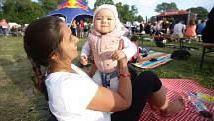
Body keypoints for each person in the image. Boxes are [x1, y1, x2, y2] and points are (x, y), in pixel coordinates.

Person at [24, 16, 184, 121]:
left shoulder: (57, 70)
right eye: (69, 37)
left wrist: (97, 59)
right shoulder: (67, 86)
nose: (76, 38)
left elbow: (87, 79)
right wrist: (123, 63)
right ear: (53, 54)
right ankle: (165, 109)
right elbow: (124, 102)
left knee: (134, 75)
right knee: (147, 77)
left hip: (101, 111)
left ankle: (156, 102)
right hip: (113, 117)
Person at [80, 4, 137, 90]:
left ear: (116, 22)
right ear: (93, 21)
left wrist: (124, 53)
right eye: (99, 18)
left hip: (116, 74)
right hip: (99, 72)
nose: (104, 21)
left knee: (116, 91)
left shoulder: (119, 37)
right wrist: (83, 55)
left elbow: (133, 47)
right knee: (94, 89)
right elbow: (86, 47)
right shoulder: (92, 37)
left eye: (109, 18)